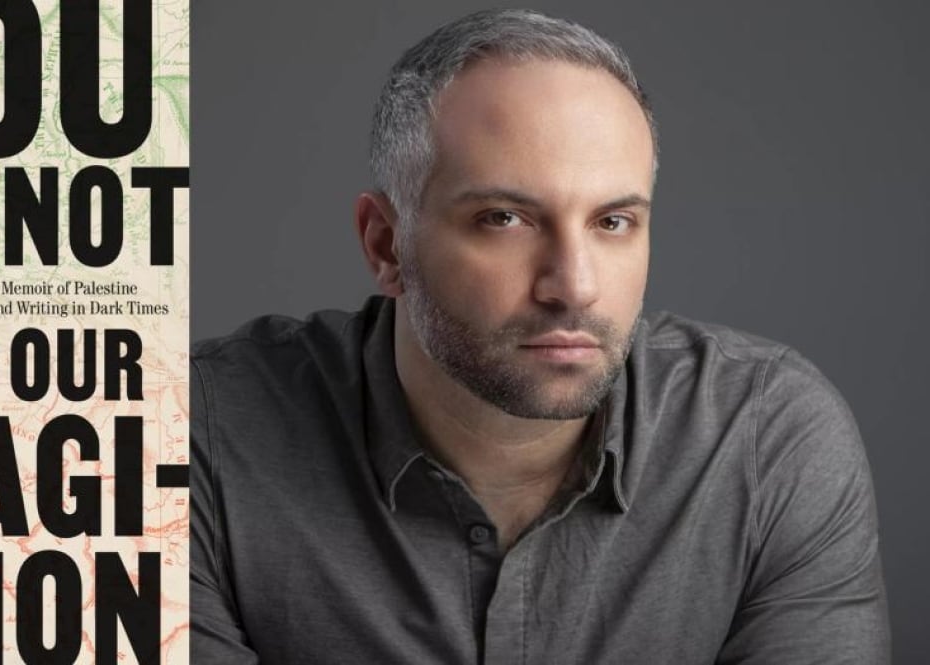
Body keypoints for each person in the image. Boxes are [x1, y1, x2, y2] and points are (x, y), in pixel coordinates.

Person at [191, 9, 889, 664]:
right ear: (386, 245)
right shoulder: (188, 434)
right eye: (505, 218)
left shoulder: (766, 436)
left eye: (612, 222)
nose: (575, 285)